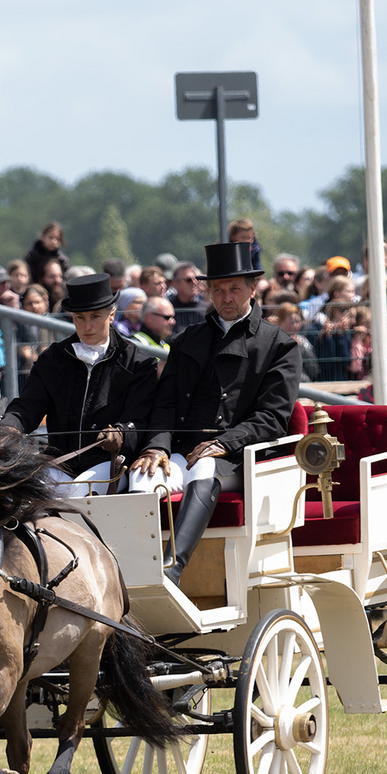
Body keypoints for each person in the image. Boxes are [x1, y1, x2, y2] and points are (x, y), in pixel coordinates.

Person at [128, 241, 301, 586]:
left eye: (234, 289)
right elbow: (164, 405)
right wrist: (157, 446)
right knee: (141, 477)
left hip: (239, 459)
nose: (225, 298)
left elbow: (273, 417)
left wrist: (224, 443)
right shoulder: (187, 339)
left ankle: (171, 571)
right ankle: (132, 575)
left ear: (252, 289)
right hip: (181, 452)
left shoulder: (278, 345)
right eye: (218, 290)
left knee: (205, 464)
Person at [3, 273, 158, 499]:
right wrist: (9, 426)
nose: (87, 326)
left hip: (111, 463)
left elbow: (140, 419)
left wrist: (121, 433)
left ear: (112, 314)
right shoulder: (53, 359)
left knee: (79, 494)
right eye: (79, 317)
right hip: (59, 463)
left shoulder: (138, 362)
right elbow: (27, 406)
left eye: (95, 316)